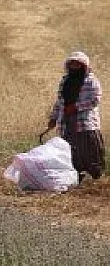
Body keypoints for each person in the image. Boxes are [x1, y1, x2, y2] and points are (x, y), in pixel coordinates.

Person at [48, 50, 104, 180]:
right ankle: (76, 174)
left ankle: (95, 176)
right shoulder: (65, 81)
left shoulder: (91, 81)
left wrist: (76, 107)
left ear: (84, 66)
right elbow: (59, 101)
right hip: (67, 120)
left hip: (85, 122)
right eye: (72, 64)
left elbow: (95, 100)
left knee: (89, 148)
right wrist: (53, 118)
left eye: (77, 64)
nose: (74, 66)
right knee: (70, 148)